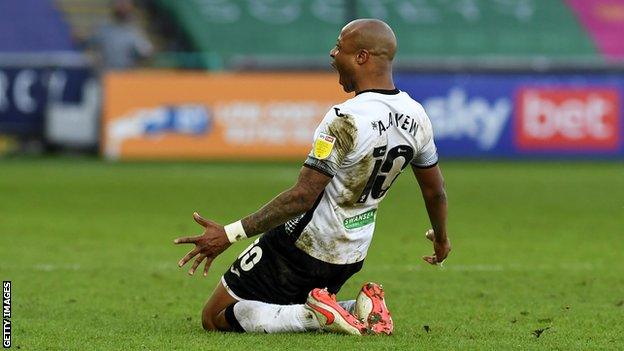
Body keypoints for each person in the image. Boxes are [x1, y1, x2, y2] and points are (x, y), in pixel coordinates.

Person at [174, 18, 450, 336]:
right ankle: (357, 309)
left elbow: (302, 196)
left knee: (215, 316)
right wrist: (441, 239)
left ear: (362, 57)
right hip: (352, 252)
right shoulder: (417, 115)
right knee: (286, 305)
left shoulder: (345, 119)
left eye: (339, 47)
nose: (332, 54)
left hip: (304, 244)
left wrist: (230, 233)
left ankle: (316, 316)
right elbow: (436, 191)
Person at [90, 0, 153, 70]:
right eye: (119, 3)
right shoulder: (103, 29)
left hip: (127, 75)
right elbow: (90, 47)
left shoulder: (135, 31)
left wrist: (141, 53)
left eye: (125, 4)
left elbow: (146, 52)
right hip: (107, 74)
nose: (122, 6)